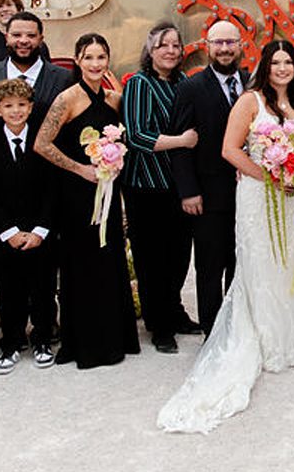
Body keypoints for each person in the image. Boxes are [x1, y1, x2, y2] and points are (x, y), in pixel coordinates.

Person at [158, 40, 294, 433]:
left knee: (291, 265)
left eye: (288, 62)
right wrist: (269, 176)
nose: (282, 68)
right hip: (257, 193)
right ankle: (262, 342)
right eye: (275, 62)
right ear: (265, 66)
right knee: (260, 264)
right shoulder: (250, 100)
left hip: (291, 198)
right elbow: (229, 150)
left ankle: (290, 339)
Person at [34, 34, 140, 368]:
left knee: (110, 261)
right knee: (82, 265)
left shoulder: (114, 99)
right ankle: (85, 341)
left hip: (109, 191)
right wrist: (80, 169)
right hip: (77, 196)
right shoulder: (67, 99)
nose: (96, 64)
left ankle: (115, 336)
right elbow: (42, 144)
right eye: (89, 57)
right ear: (78, 61)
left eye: (101, 57)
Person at [166, 19, 249, 334]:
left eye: (230, 42)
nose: (225, 49)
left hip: (247, 193)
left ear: (240, 44)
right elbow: (181, 142)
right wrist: (188, 191)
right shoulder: (191, 86)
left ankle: (238, 325)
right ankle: (213, 332)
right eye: (219, 43)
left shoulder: (250, 81)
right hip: (208, 195)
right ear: (207, 45)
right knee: (210, 266)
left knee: (240, 263)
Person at [123, 22, 200, 353]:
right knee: (152, 258)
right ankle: (159, 325)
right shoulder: (139, 84)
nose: (171, 51)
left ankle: (175, 308)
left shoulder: (184, 82)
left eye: (175, 45)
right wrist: (181, 141)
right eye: (163, 46)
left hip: (178, 185)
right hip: (147, 186)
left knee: (179, 255)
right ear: (150, 51)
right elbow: (137, 134)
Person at [0, 78, 59, 374]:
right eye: (8, 106)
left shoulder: (42, 143)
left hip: (41, 234)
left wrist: (41, 230)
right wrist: (9, 232)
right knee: (10, 291)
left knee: (43, 289)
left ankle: (42, 339)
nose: (16, 111)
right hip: (7, 236)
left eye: (22, 105)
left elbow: (53, 191)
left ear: (31, 108)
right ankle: (11, 343)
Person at [0, 12, 70, 129]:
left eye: (31, 36)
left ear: (41, 40)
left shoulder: (65, 79)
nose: (23, 41)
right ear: (6, 38)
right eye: (16, 35)